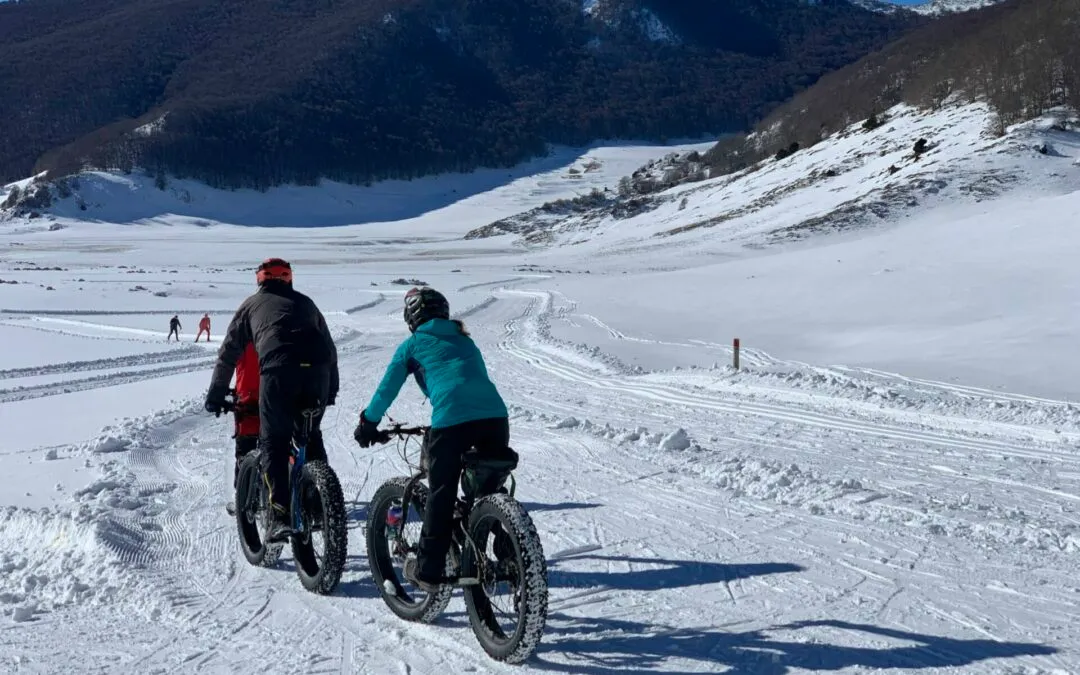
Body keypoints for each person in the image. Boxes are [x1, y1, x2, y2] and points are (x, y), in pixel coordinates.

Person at [354, 286, 510, 592]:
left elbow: (387, 390)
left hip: (452, 422)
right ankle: (508, 547)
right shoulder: (465, 339)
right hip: (495, 418)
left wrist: (368, 424)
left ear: (411, 317)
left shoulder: (412, 345)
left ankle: (428, 572)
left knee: (442, 493)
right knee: (487, 485)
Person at [204, 258, 339, 540]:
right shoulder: (307, 303)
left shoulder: (251, 305)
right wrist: (330, 392)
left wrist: (216, 393)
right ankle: (321, 507)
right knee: (311, 435)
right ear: (289, 279)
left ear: (260, 280)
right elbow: (330, 348)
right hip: (318, 373)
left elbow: (228, 353)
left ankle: (279, 515)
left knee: (273, 440)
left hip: (279, 372)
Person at [224, 342, 261, 515]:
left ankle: (242, 496)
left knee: (244, 451)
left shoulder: (242, 336)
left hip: (247, 399)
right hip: (273, 396)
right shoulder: (277, 332)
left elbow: (227, 359)